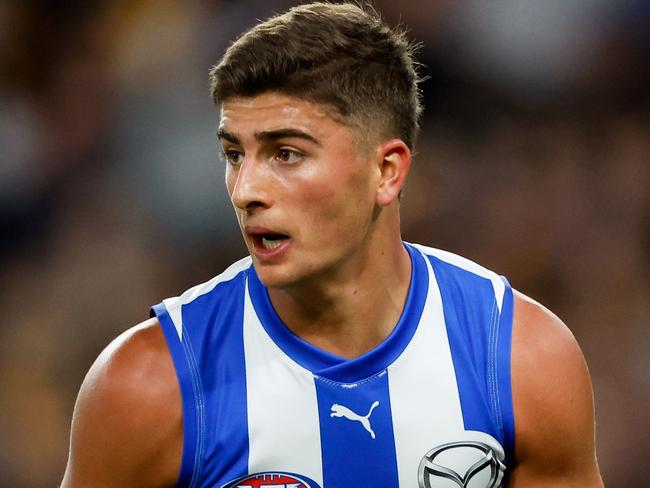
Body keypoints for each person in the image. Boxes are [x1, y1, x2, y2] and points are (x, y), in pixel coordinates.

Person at [61, 3, 604, 487]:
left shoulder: (517, 359)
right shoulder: (147, 387)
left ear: (386, 171)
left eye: (286, 154)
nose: (246, 190)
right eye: (234, 154)